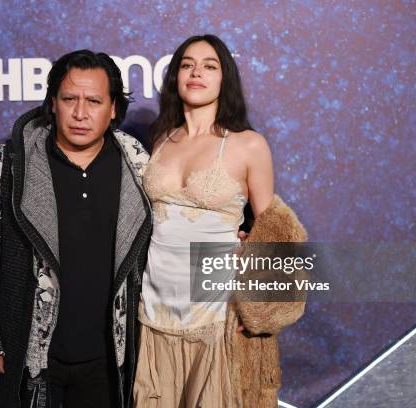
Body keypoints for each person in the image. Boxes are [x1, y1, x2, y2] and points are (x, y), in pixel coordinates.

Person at [0, 49, 152, 408]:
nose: (80, 113)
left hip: (111, 361)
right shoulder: (13, 161)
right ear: (52, 103)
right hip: (27, 354)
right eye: (69, 99)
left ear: (112, 109)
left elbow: (175, 239)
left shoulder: (139, 165)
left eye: (94, 101)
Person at [133, 34, 307, 407]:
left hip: (215, 314)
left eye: (209, 66)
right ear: (175, 76)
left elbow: (273, 231)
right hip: (154, 311)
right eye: (187, 64)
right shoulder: (162, 138)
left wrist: (260, 308)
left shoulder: (249, 145)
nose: (197, 72)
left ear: (224, 77)